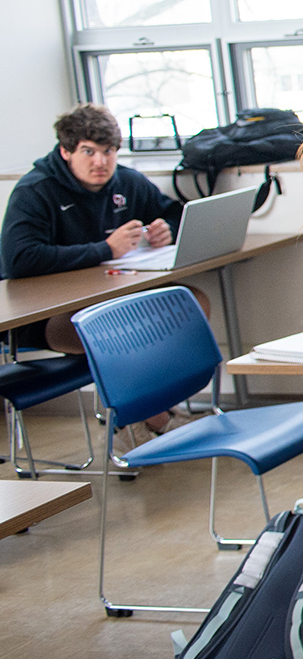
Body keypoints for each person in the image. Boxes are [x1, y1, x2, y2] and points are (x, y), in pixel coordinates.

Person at [1, 103, 204, 447]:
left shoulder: (126, 180)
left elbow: (176, 214)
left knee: (189, 304)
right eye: (88, 152)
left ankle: (149, 416)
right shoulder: (35, 191)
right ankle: (147, 420)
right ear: (65, 151)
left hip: (111, 298)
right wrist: (105, 250)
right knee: (123, 333)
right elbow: (20, 258)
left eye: (108, 151)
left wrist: (165, 229)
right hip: (47, 315)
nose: (101, 162)